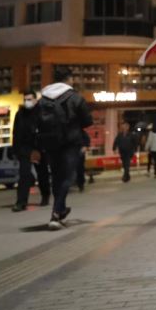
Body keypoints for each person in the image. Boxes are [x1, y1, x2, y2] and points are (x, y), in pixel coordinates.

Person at [36, 67, 94, 231]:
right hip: (70, 143)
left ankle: (60, 209)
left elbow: (37, 122)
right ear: (69, 79)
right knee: (68, 177)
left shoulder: (43, 99)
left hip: (50, 143)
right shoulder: (75, 97)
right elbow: (87, 121)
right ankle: (55, 215)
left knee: (56, 177)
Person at [11, 90, 49, 211]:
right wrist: (15, 150)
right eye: (25, 99)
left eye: (29, 99)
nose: (27, 102)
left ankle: (45, 195)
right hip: (25, 148)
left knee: (42, 174)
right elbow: (16, 133)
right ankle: (21, 202)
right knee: (24, 175)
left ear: (35, 100)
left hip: (39, 147)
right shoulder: (20, 114)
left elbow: (46, 130)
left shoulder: (41, 113)